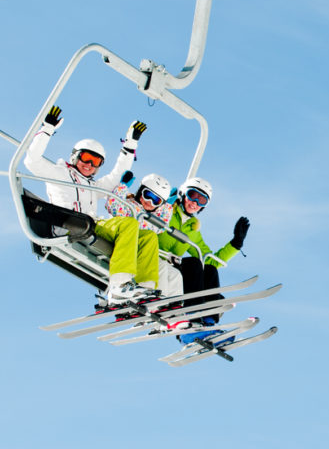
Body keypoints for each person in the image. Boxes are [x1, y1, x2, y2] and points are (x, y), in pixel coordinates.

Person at [23, 105, 159, 305]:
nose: (89, 165)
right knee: (127, 224)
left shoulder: (92, 185)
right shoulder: (58, 173)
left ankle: (145, 288)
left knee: (148, 236)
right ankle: (119, 286)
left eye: (96, 162)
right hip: (68, 224)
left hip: (90, 224)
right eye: (86, 158)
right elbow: (32, 161)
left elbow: (115, 178)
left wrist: (129, 146)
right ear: (75, 156)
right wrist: (46, 130)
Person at [159, 177, 250, 342]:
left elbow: (210, 260)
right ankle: (191, 320)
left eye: (202, 200)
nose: (195, 202)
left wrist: (236, 244)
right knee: (193, 264)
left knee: (209, 269)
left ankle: (209, 322)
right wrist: (165, 203)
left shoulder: (192, 229)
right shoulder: (166, 210)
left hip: (173, 270)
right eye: (192, 195)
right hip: (155, 262)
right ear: (182, 194)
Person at [104, 172, 182, 298]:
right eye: (148, 195)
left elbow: (161, 227)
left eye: (156, 201)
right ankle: (119, 285)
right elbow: (112, 206)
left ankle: (154, 294)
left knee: (172, 273)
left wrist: (167, 207)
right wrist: (122, 187)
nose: (150, 202)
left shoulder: (152, 218)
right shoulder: (128, 205)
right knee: (133, 225)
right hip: (122, 238)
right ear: (140, 191)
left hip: (140, 247)